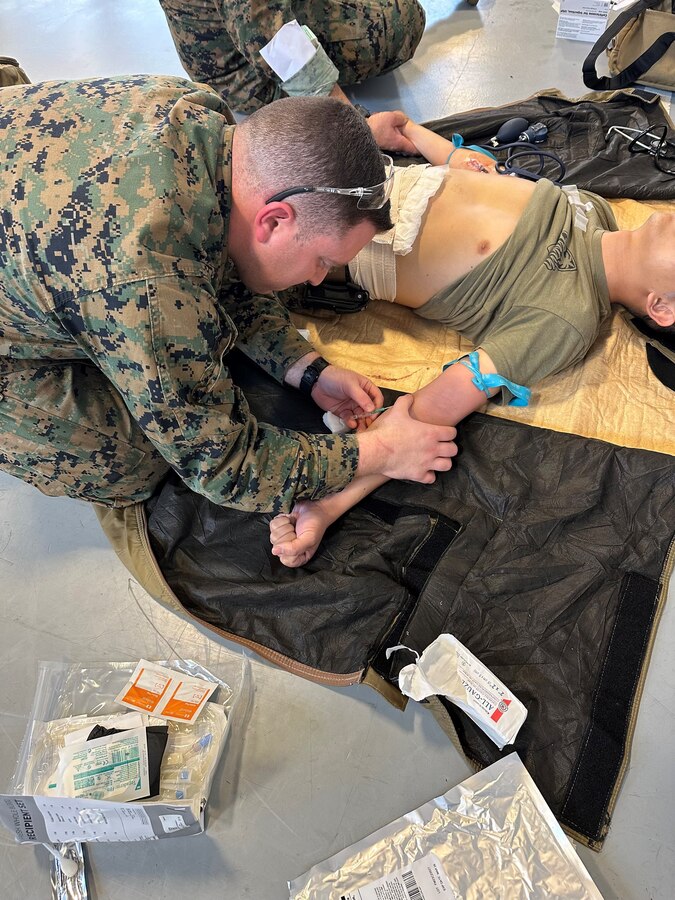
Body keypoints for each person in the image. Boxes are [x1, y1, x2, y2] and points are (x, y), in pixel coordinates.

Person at [0, 77, 458, 512]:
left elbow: (225, 257)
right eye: (322, 260)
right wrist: (378, 452)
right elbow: (222, 466)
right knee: (128, 461)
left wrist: (307, 370)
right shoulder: (148, 281)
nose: (320, 280)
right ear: (274, 220)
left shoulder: (202, 115)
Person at [270, 118, 675, 565]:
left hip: (311, 241)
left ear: (662, 308)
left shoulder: (566, 318)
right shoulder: (597, 211)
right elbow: (482, 173)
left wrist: (329, 504)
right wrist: (412, 133)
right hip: (351, 173)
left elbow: (447, 398)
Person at [158, 1, 425, 115]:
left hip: (239, 29)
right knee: (398, 20)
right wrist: (353, 121)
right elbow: (270, 36)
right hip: (245, 74)